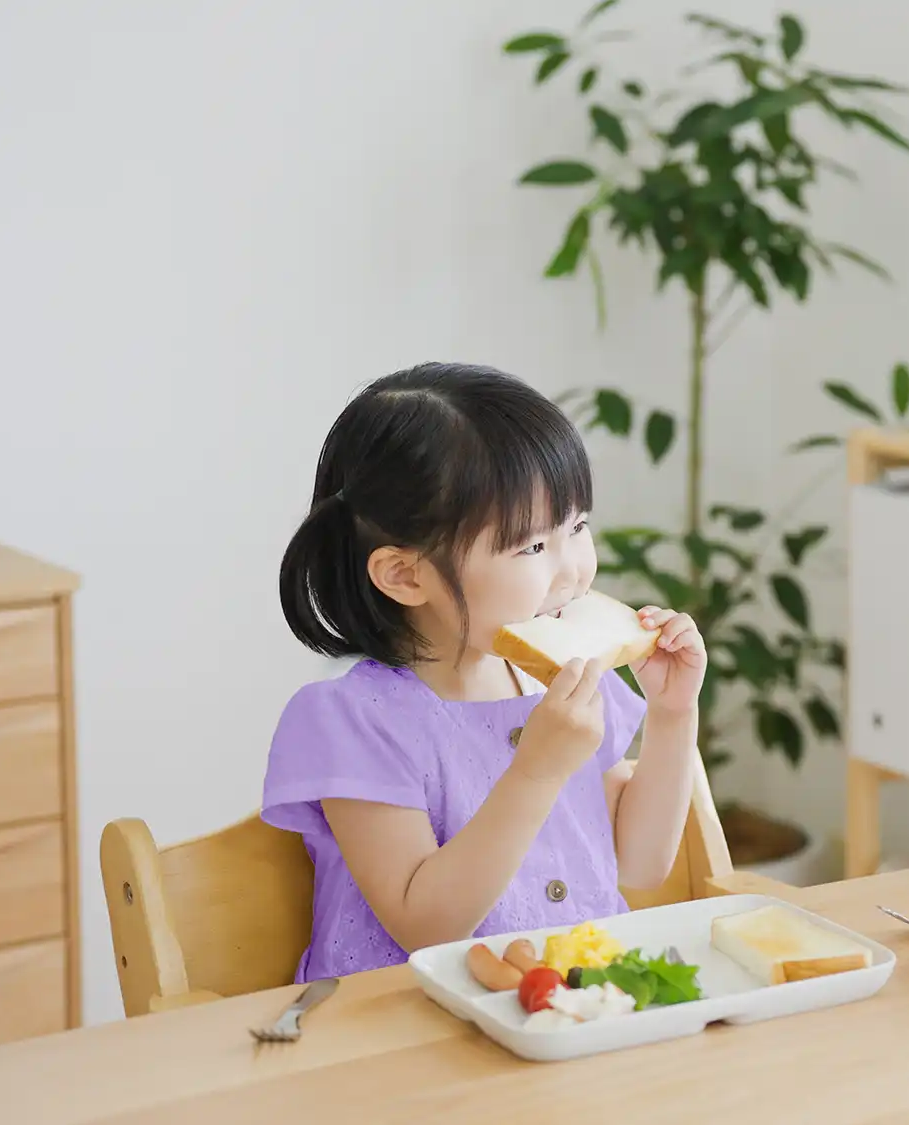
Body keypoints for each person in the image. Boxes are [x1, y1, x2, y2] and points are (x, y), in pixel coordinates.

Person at [262, 362, 705, 981]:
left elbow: (639, 864)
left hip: (571, 1008)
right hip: (400, 1033)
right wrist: (537, 769)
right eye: (531, 547)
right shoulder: (352, 721)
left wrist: (672, 712)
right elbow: (425, 925)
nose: (574, 569)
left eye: (577, 527)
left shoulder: (565, 680)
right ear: (406, 575)